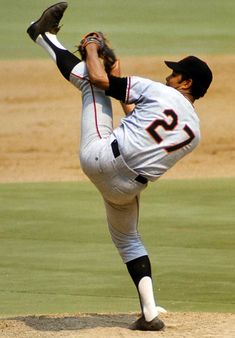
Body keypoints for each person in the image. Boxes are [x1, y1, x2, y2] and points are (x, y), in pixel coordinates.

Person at [27, 2, 213, 331]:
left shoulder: (159, 91)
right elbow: (135, 119)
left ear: (186, 83)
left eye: (175, 73)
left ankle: (42, 36)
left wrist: (93, 46)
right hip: (126, 188)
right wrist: (113, 74)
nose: (168, 76)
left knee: (88, 82)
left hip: (100, 155)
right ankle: (150, 312)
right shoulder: (195, 132)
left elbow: (97, 79)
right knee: (128, 240)